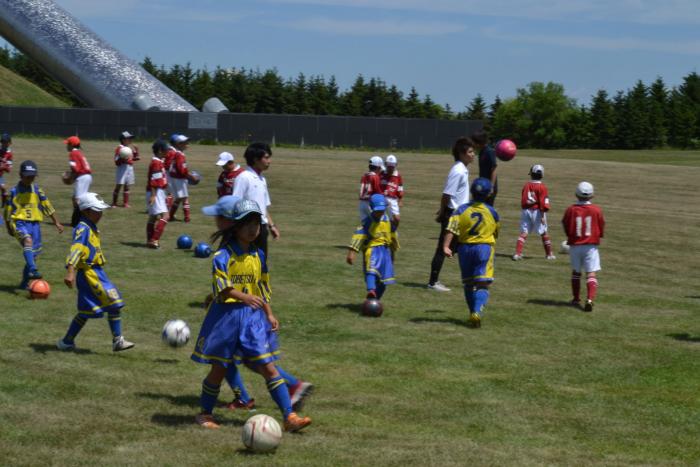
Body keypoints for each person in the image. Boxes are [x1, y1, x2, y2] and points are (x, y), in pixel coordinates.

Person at [191, 197, 312, 431]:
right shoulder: (222, 256)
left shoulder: (259, 256)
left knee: (268, 366)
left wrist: (269, 313)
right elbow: (222, 287)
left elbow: (262, 288)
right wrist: (245, 297)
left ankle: (289, 416)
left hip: (253, 320)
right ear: (235, 226)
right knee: (220, 368)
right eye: (247, 223)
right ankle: (205, 414)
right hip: (226, 319)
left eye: (257, 223)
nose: (253, 228)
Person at [57, 192, 134, 352]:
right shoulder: (83, 229)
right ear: (85, 211)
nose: (100, 214)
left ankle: (66, 342)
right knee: (114, 302)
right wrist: (70, 271)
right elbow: (76, 249)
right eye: (97, 211)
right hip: (90, 274)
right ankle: (117, 340)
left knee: (86, 311)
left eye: (101, 211)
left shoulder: (90, 226)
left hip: (95, 273)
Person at [442, 178, 500, 328]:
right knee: (483, 284)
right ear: (488, 194)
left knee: (468, 284)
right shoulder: (492, 212)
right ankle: (476, 312)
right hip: (483, 248)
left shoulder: (461, 210)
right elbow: (496, 232)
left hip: (465, 249)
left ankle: (472, 313)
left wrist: (446, 246)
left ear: (471, 192)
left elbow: (451, 229)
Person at [3, 161, 64, 288]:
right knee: (28, 241)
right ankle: (33, 269)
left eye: (32, 177)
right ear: (20, 175)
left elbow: (47, 205)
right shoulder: (14, 192)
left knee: (34, 254)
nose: (30, 179)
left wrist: (56, 222)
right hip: (19, 222)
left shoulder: (37, 190)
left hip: (35, 225)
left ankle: (24, 283)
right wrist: (9, 227)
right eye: (27, 176)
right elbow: (7, 212)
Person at [427, 137, 475, 292]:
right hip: (452, 215)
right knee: (443, 248)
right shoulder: (458, 171)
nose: (473, 154)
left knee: (461, 247)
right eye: (470, 151)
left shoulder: (463, 168)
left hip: (459, 215)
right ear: (461, 154)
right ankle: (433, 283)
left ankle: (471, 280)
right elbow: (447, 194)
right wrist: (442, 211)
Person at [562, 182, 605, 312]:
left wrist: (570, 235)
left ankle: (576, 298)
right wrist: (599, 235)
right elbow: (601, 225)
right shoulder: (596, 210)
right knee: (591, 273)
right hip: (590, 246)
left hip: (575, 245)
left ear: (576, 194)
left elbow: (565, 223)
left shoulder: (571, 209)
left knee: (576, 272)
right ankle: (590, 299)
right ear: (592, 195)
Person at [232, 142, 280, 257]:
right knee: (246, 263)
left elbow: (263, 207)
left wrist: (271, 226)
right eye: (266, 158)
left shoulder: (262, 179)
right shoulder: (244, 177)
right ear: (255, 159)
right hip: (247, 228)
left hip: (261, 228)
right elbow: (235, 203)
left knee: (261, 264)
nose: (269, 161)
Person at [346, 194, 397, 300]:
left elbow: (392, 236)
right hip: (372, 250)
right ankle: (371, 290)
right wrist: (351, 253)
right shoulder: (368, 222)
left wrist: (392, 253)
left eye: (382, 210)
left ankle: (374, 300)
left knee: (384, 280)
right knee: (371, 271)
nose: (380, 212)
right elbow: (359, 236)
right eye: (378, 210)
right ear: (372, 209)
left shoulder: (388, 221)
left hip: (385, 252)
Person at [512, 164, 556, 261]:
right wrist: (542, 215)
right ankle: (549, 254)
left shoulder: (526, 185)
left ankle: (517, 253)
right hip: (537, 211)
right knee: (544, 232)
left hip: (526, 211)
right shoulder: (542, 187)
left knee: (524, 232)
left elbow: (523, 199)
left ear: (531, 174)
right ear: (542, 175)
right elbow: (543, 203)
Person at [167, 134, 197, 222]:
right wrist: (190, 176)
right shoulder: (179, 155)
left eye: (187, 142)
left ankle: (171, 215)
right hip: (180, 179)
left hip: (176, 178)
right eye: (184, 143)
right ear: (178, 144)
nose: (187, 144)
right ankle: (187, 217)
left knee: (178, 198)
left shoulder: (178, 153)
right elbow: (181, 170)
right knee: (185, 198)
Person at [146, 140, 170, 249]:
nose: (168, 152)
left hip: (157, 191)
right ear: (160, 151)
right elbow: (154, 180)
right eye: (166, 150)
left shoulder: (158, 161)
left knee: (153, 217)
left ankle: (149, 240)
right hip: (156, 191)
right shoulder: (156, 163)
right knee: (165, 216)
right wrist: (153, 195)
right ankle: (154, 239)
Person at [65, 136, 92, 227]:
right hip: (86, 176)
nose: (66, 146)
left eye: (67, 144)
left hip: (82, 177)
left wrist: (70, 178)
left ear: (71, 145)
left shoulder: (73, 153)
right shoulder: (78, 152)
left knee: (78, 200)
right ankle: (80, 219)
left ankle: (78, 221)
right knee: (75, 198)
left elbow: (75, 169)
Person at [111, 131, 139, 208]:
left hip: (129, 168)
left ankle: (125, 203)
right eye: (128, 138)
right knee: (119, 185)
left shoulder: (128, 148)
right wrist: (123, 159)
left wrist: (136, 151)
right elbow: (116, 161)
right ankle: (114, 203)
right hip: (122, 168)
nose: (130, 140)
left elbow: (134, 158)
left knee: (127, 185)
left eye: (131, 138)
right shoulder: (120, 148)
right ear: (123, 140)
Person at [471, 130, 498, 206]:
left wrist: (491, 187)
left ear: (479, 142)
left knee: (487, 210)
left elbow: (494, 168)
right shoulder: (482, 151)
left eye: (473, 142)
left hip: (488, 187)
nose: (472, 144)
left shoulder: (489, 151)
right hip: (482, 185)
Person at [381, 154, 404, 229]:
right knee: (382, 220)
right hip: (382, 198)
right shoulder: (381, 174)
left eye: (392, 166)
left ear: (396, 165)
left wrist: (400, 199)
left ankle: (392, 233)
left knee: (397, 219)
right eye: (389, 166)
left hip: (393, 200)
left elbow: (400, 188)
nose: (390, 168)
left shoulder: (398, 176)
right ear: (385, 164)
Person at [358, 156, 384, 222]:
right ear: (378, 167)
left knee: (366, 226)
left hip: (361, 203)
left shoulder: (364, 176)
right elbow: (378, 192)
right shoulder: (375, 177)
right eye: (380, 168)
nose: (380, 170)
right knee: (377, 224)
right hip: (370, 203)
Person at [0, 133, 14, 210]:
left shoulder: (9, 154)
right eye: (2, 142)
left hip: (0, 174)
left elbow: (9, 170)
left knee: (3, 189)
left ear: (10, 143)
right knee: (3, 188)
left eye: (6, 142)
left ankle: (4, 205)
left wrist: (3, 166)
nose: (4, 144)